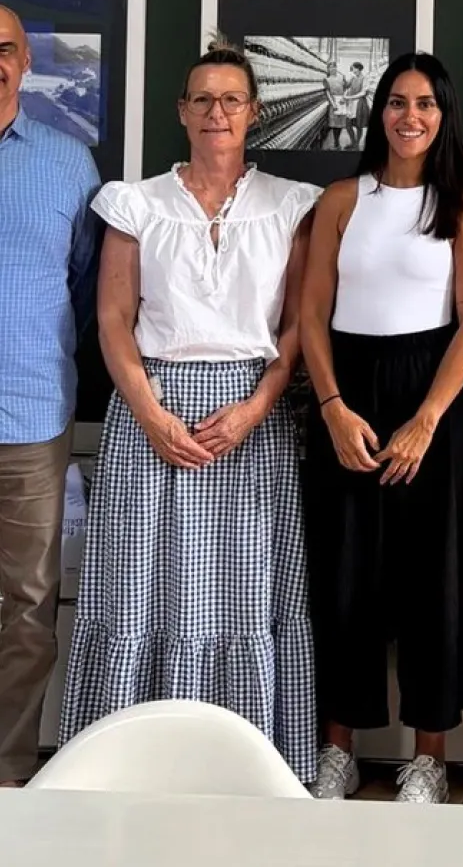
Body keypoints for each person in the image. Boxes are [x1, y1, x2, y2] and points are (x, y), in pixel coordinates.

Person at [58, 39, 320, 783]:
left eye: (231, 99)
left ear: (254, 113)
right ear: (181, 111)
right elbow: (112, 319)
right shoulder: (136, 202)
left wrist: (254, 408)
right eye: (202, 99)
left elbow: (298, 326)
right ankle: (127, 765)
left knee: (241, 596)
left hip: (251, 416)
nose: (216, 113)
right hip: (153, 410)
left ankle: (242, 767)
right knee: (137, 587)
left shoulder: (289, 204)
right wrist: (150, 414)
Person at [299, 52, 463, 805]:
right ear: (377, 110)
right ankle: (339, 748)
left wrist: (426, 421)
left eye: (426, 104)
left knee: (430, 582)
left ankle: (429, 759)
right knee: (345, 578)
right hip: (347, 393)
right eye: (397, 101)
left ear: (444, 116)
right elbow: (312, 314)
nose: (410, 116)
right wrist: (332, 406)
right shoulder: (342, 198)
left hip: (431, 402)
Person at [0, 6, 100, 788]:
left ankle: (4, 778)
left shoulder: (70, 164)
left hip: (28, 418)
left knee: (26, 610)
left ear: (24, 60)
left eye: (3, 48)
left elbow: (86, 286)